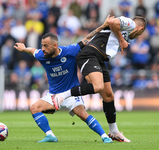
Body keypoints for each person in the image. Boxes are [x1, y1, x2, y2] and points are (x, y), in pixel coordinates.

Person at [13, 15, 113, 143]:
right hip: (54, 94)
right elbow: (32, 50)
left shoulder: (69, 51)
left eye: (46, 46)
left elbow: (87, 38)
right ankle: (50, 136)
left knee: (82, 114)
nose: (43, 49)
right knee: (34, 108)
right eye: (42, 45)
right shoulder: (42, 55)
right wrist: (23, 48)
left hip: (71, 93)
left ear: (55, 45)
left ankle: (105, 136)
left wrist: (103, 26)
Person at [53, 15, 147, 142]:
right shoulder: (130, 24)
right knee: (98, 86)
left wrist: (114, 33)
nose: (137, 36)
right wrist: (121, 40)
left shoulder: (123, 30)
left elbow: (108, 26)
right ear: (140, 29)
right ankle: (62, 96)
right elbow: (113, 22)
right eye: (140, 33)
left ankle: (114, 132)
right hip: (90, 55)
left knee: (109, 96)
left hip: (99, 59)